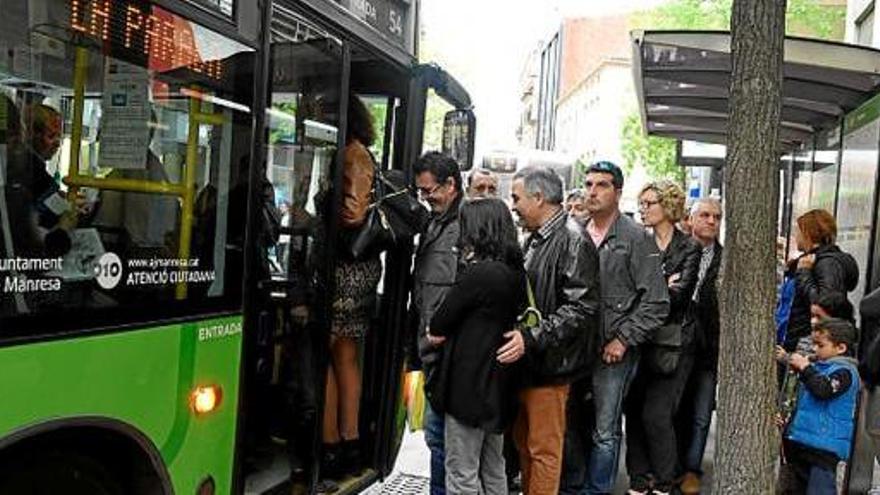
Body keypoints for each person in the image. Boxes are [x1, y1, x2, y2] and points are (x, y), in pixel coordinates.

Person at [503, 165, 600, 494]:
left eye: (516, 197)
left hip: (551, 367)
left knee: (542, 450)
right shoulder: (539, 236)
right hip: (534, 363)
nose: (512, 204)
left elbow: (581, 308)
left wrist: (530, 338)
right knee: (526, 445)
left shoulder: (573, 240)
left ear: (539, 197)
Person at [426, 198, 527, 495]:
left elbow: (438, 326)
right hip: (498, 384)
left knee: (461, 472)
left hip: (468, 385)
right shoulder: (515, 273)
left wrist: (438, 331)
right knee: (493, 467)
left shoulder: (478, 274)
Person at [581, 161, 669, 495]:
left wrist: (623, 338)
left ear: (617, 192)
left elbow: (657, 302)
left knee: (605, 430)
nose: (593, 191)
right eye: (589, 184)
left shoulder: (636, 238)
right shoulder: (575, 229)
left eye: (602, 185)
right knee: (574, 424)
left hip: (613, 351)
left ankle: (597, 489)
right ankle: (574, 485)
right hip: (575, 347)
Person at [624, 181, 700, 495]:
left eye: (649, 203)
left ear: (667, 206)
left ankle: (665, 481)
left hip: (672, 343)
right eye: (641, 203)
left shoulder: (689, 246)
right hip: (638, 339)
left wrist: (652, 288)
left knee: (657, 415)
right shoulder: (637, 241)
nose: (642, 209)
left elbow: (679, 297)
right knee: (634, 411)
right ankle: (639, 479)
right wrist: (662, 284)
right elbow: (627, 292)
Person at [321, 94, 381, 479]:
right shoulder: (361, 154)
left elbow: (353, 210)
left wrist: (322, 207)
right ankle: (344, 443)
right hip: (357, 266)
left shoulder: (353, 155)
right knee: (341, 356)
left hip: (347, 264)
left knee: (334, 356)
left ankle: (336, 445)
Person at [412, 151, 464, 495]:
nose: (426, 199)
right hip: (431, 348)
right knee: (435, 438)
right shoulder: (433, 222)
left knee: (447, 443)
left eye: (431, 191)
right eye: (421, 192)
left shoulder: (468, 224)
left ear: (451, 185)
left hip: (452, 352)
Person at [775, 318, 860, 495]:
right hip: (800, 445)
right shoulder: (818, 367)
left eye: (820, 345)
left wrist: (805, 368)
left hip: (822, 452)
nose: (814, 349)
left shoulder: (845, 373)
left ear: (841, 348)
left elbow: (823, 389)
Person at [674, 197, 723, 495]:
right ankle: (672, 467)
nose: (712, 221)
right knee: (674, 408)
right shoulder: (678, 251)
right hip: (676, 345)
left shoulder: (725, 259)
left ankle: (692, 468)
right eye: (705, 215)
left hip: (708, 348)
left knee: (703, 413)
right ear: (690, 219)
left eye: (717, 217)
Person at [782, 209, 858, 353]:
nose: (795, 236)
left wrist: (803, 273)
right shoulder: (810, 260)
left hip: (809, 343)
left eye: (798, 232)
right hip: (799, 338)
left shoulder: (826, 263)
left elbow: (824, 302)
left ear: (809, 234)